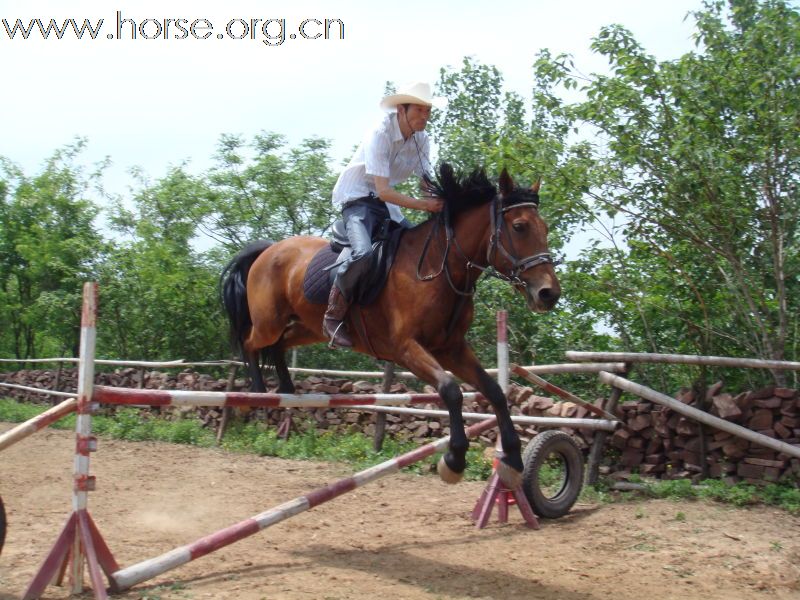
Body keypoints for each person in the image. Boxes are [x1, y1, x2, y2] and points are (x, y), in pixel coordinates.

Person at [323, 82, 445, 348]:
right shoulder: (380, 132)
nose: (425, 116)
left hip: (386, 205)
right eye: (419, 110)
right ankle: (333, 317)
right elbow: (383, 190)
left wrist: (444, 200)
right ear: (401, 109)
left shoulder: (422, 140)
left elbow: (426, 182)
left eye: (428, 111)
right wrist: (425, 207)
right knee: (364, 255)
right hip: (358, 199)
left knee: (418, 252)